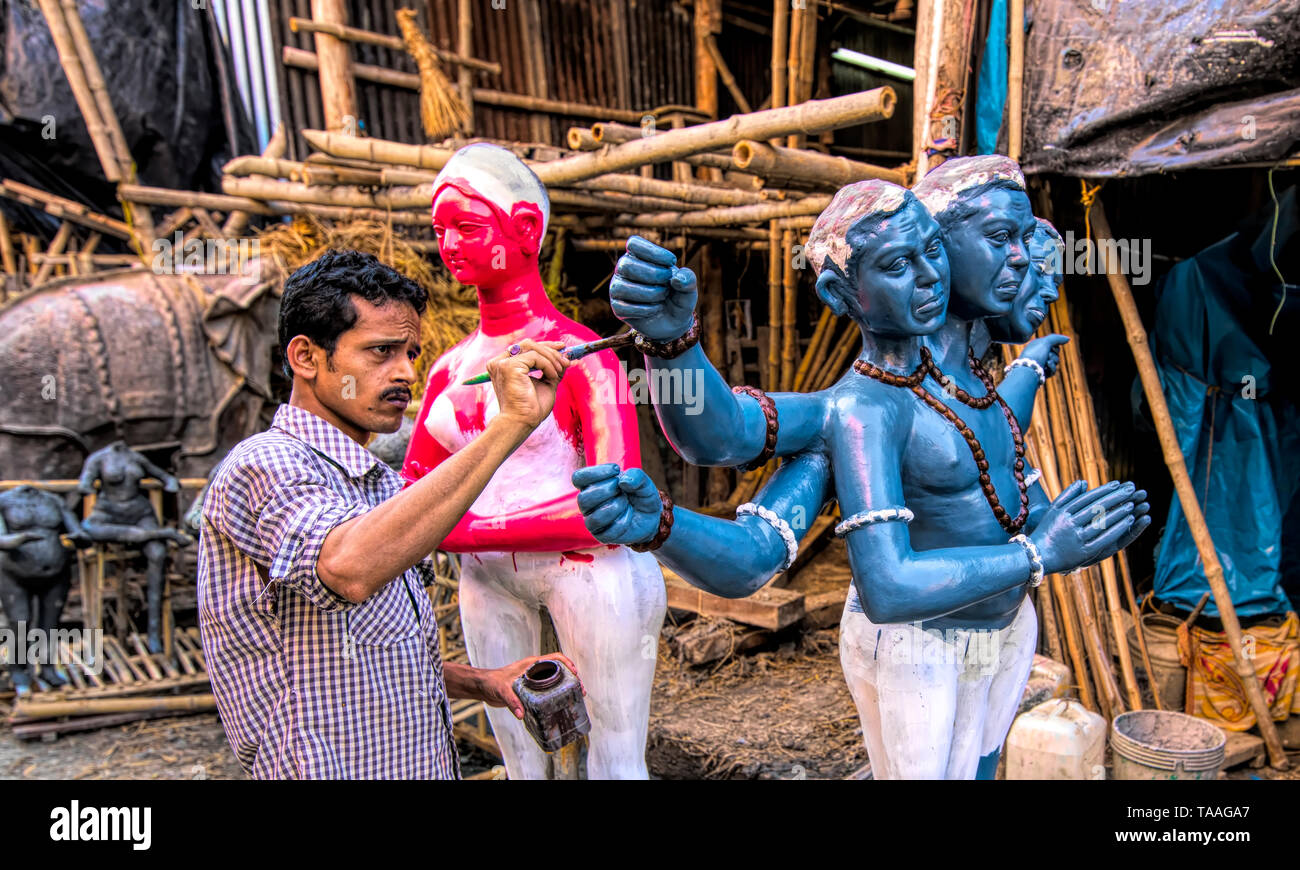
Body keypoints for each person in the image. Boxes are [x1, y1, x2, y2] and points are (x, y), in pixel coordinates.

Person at [572, 179, 1150, 779]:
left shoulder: (976, 386)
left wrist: (1070, 530)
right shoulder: (859, 412)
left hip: (1005, 629)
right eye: (899, 263)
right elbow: (726, 455)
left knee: (980, 768)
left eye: (933, 252)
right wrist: (671, 349)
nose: (930, 275)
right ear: (840, 293)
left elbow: (997, 489)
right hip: (919, 647)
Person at [197, 249, 578, 779]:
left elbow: (358, 657)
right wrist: (508, 426)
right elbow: (347, 570)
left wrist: (481, 682)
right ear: (306, 357)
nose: (405, 373)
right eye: (381, 351)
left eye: (411, 353)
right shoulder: (264, 464)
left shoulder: (376, 484)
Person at [402, 144, 665, 780]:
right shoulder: (446, 371)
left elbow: (611, 507)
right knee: (519, 757)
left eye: (467, 227)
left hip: (587, 571)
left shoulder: (583, 357)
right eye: (440, 231)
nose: (450, 245)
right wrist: (443, 528)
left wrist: (456, 529)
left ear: (524, 229)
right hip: (487, 579)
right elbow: (411, 488)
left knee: (615, 755)